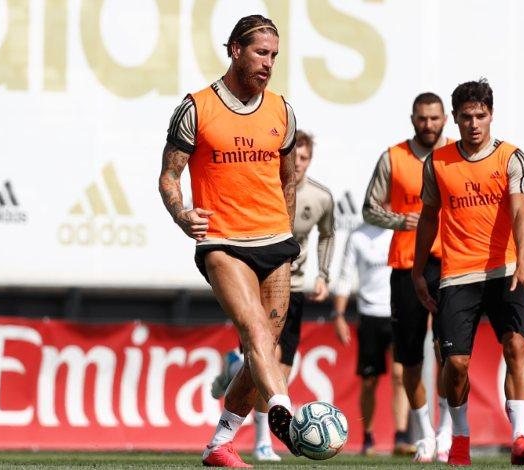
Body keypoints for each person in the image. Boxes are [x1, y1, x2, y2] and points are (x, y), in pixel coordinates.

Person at [158, 14, 304, 467]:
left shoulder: (281, 109)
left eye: (275, 55)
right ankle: (287, 416)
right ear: (235, 50)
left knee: (267, 351)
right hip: (223, 241)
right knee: (256, 332)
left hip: (275, 241)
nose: (268, 63)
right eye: (261, 52)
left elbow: (288, 180)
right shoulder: (197, 108)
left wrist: (286, 228)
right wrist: (183, 215)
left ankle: (221, 442)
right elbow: (168, 176)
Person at [413, 79, 524, 466]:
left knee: (517, 346)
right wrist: (419, 272)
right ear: (454, 118)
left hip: (508, 270)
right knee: (455, 365)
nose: (474, 123)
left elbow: (521, 212)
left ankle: (520, 437)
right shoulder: (437, 162)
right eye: (467, 116)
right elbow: (427, 218)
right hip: (458, 275)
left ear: (491, 116)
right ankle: (460, 436)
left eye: (481, 116)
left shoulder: (512, 157)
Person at [208, 130, 335, 462]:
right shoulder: (266, 192)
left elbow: (327, 236)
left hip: (293, 287)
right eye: (296, 156)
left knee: (279, 370)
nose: (299, 163)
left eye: (305, 157)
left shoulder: (321, 197)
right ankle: (263, 441)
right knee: (264, 353)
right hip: (257, 281)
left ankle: (236, 366)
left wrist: (323, 274)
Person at [362, 92, 454, 462]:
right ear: (412, 118)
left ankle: (447, 431)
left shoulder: (457, 155)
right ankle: (424, 434)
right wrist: (401, 220)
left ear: (444, 118)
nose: (428, 124)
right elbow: (370, 208)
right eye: (422, 118)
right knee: (410, 357)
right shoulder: (393, 157)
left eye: (434, 118)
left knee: (451, 356)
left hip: (450, 265)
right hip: (405, 264)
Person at [330, 222, 410, 456]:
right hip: (369, 315)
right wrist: (339, 315)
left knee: (400, 375)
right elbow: (344, 277)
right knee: (369, 380)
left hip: (398, 312)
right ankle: (368, 438)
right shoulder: (358, 236)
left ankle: (401, 437)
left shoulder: (402, 230)